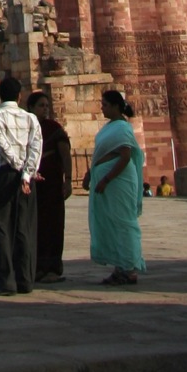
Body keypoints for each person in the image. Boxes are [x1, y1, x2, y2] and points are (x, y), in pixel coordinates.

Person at [0, 74, 42, 296]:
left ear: (0, 95)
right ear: (19, 96)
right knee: (23, 227)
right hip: (25, 178)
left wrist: (19, 169)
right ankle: (25, 279)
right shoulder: (30, 119)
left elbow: (2, 144)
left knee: (0, 226)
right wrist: (28, 174)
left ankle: (6, 280)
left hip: (6, 175)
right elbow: (36, 148)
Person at [86, 87, 145, 286]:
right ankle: (120, 267)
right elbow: (102, 153)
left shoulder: (123, 127)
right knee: (112, 222)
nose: (102, 108)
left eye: (104, 105)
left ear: (115, 107)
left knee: (124, 223)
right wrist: (91, 173)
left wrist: (106, 179)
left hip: (119, 182)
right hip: (108, 182)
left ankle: (129, 269)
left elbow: (125, 156)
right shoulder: (109, 126)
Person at [28, 89, 72, 283]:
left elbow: (65, 155)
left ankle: (52, 268)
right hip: (33, 185)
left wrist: (68, 179)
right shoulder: (27, 128)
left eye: (46, 106)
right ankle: (36, 267)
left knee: (52, 225)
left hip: (52, 184)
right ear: (31, 108)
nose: (44, 109)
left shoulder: (53, 128)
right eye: (40, 106)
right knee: (35, 225)